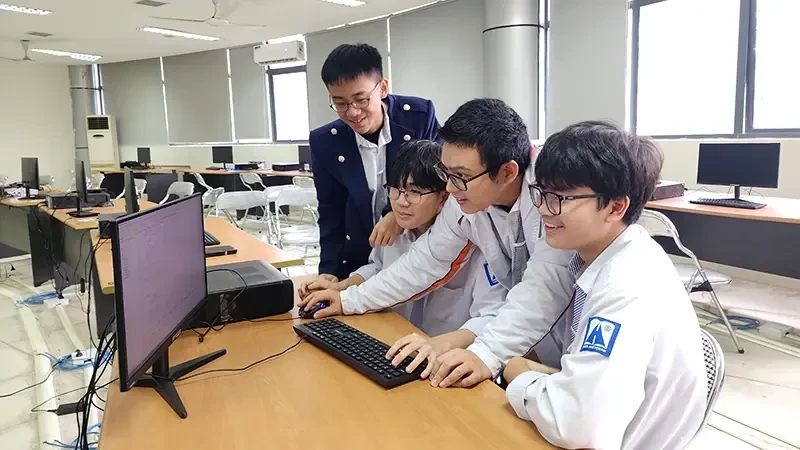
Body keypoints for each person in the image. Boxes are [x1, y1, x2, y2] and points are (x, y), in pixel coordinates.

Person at [299, 98, 576, 387]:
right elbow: (427, 261)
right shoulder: (467, 201)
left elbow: (543, 289)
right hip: (523, 342)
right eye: (447, 173)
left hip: (561, 340)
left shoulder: (551, 201)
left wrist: (484, 353)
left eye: (461, 177)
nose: (449, 188)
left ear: (507, 172)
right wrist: (348, 298)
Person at [502, 121, 706, 449]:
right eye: (541, 193)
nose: (543, 208)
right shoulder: (614, 254)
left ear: (615, 206)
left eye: (560, 198)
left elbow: (577, 425)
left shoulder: (622, 286)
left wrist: (520, 377)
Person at [301, 140, 507, 375]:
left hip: (446, 361)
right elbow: (377, 269)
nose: (401, 201)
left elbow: (491, 317)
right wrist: (341, 287)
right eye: (396, 189)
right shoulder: (393, 232)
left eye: (415, 192)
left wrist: (442, 344)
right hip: (394, 346)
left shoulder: (477, 244)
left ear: (444, 198)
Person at [307, 43, 440, 285]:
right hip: (360, 256)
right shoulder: (325, 142)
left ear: (383, 88)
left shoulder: (419, 117)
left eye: (361, 99)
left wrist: (395, 215)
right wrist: (329, 270)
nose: (352, 112)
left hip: (420, 251)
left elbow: (439, 180)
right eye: (340, 103)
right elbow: (330, 210)